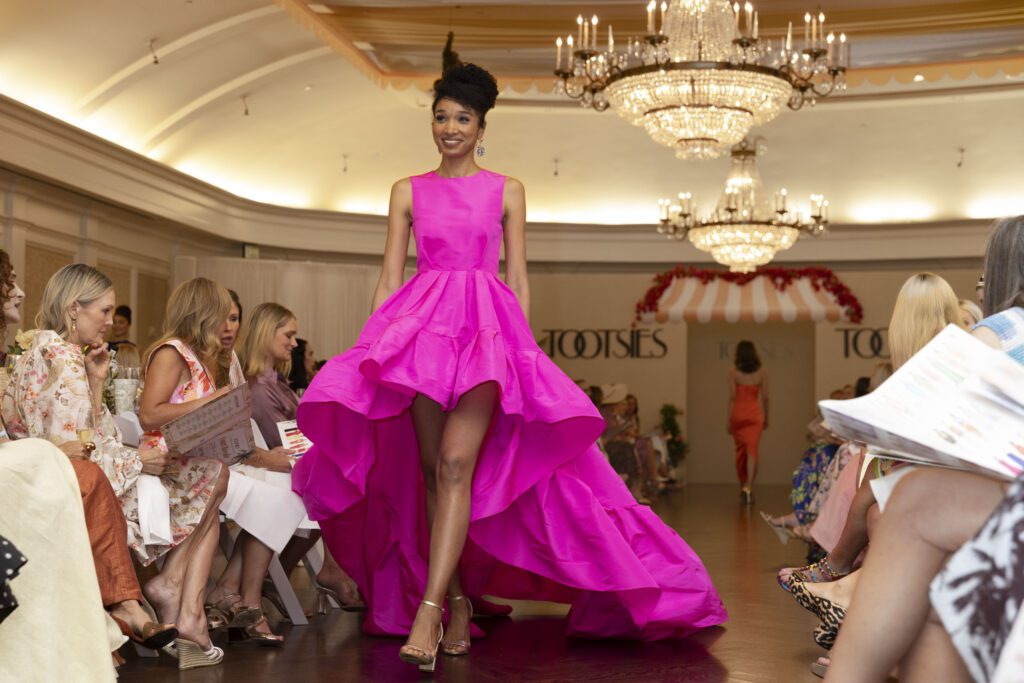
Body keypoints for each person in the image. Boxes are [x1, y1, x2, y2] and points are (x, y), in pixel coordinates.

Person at [292, 59, 726, 673]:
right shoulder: (406, 190)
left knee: (454, 465)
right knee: (426, 472)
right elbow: (390, 275)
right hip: (418, 335)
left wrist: (522, 356)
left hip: (483, 335)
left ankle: (429, 608)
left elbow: (517, 277)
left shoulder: (508, 190)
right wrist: (373, 346)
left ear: (481, 124)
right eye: (441, 117)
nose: (449, 128)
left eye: (461, 118)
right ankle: (461, 602)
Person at [826, 218, 1024, 682]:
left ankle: (848, 596)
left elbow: (949, 424)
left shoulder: (1000, 330)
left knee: (909, 499)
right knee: (903, 502)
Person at [1, 264, 179, 657]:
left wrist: (97, 385)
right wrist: (135, 463)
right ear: (72, 309)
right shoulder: (61, 357)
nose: (110, 322)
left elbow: (84, 438)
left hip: (34, 471)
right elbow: (80, 448)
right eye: (104, 311)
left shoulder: (39, 352)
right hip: (48, 477)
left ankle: (127, 610)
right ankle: (149, 603)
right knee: (171, 483)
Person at [138, 277, 245, 669]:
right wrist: (214, 401)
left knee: (218, 480)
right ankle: (185, 607)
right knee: (218, 478)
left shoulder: (200, 357)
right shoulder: (171, 353)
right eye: (222, 313)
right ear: (203, 312)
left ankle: (186, 609)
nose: (228, 323)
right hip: (160, 468)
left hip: (189, 464)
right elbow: (150, 414)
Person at [728, 340, 769, 504]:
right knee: (752, 451)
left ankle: (743, 485)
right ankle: (749, 487)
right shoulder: (762, 373)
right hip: (754, 414)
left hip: (738, 413)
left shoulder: (733, 372)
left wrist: (728, 420)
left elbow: (732, 397)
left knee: (740, 452)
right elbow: (765, 398)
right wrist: (767, 417)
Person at [107, 304, 140, 369]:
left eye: (121, 322)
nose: (116, 325)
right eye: (114, 322)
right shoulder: (105, 347)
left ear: (128, 324)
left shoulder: (135, 349)